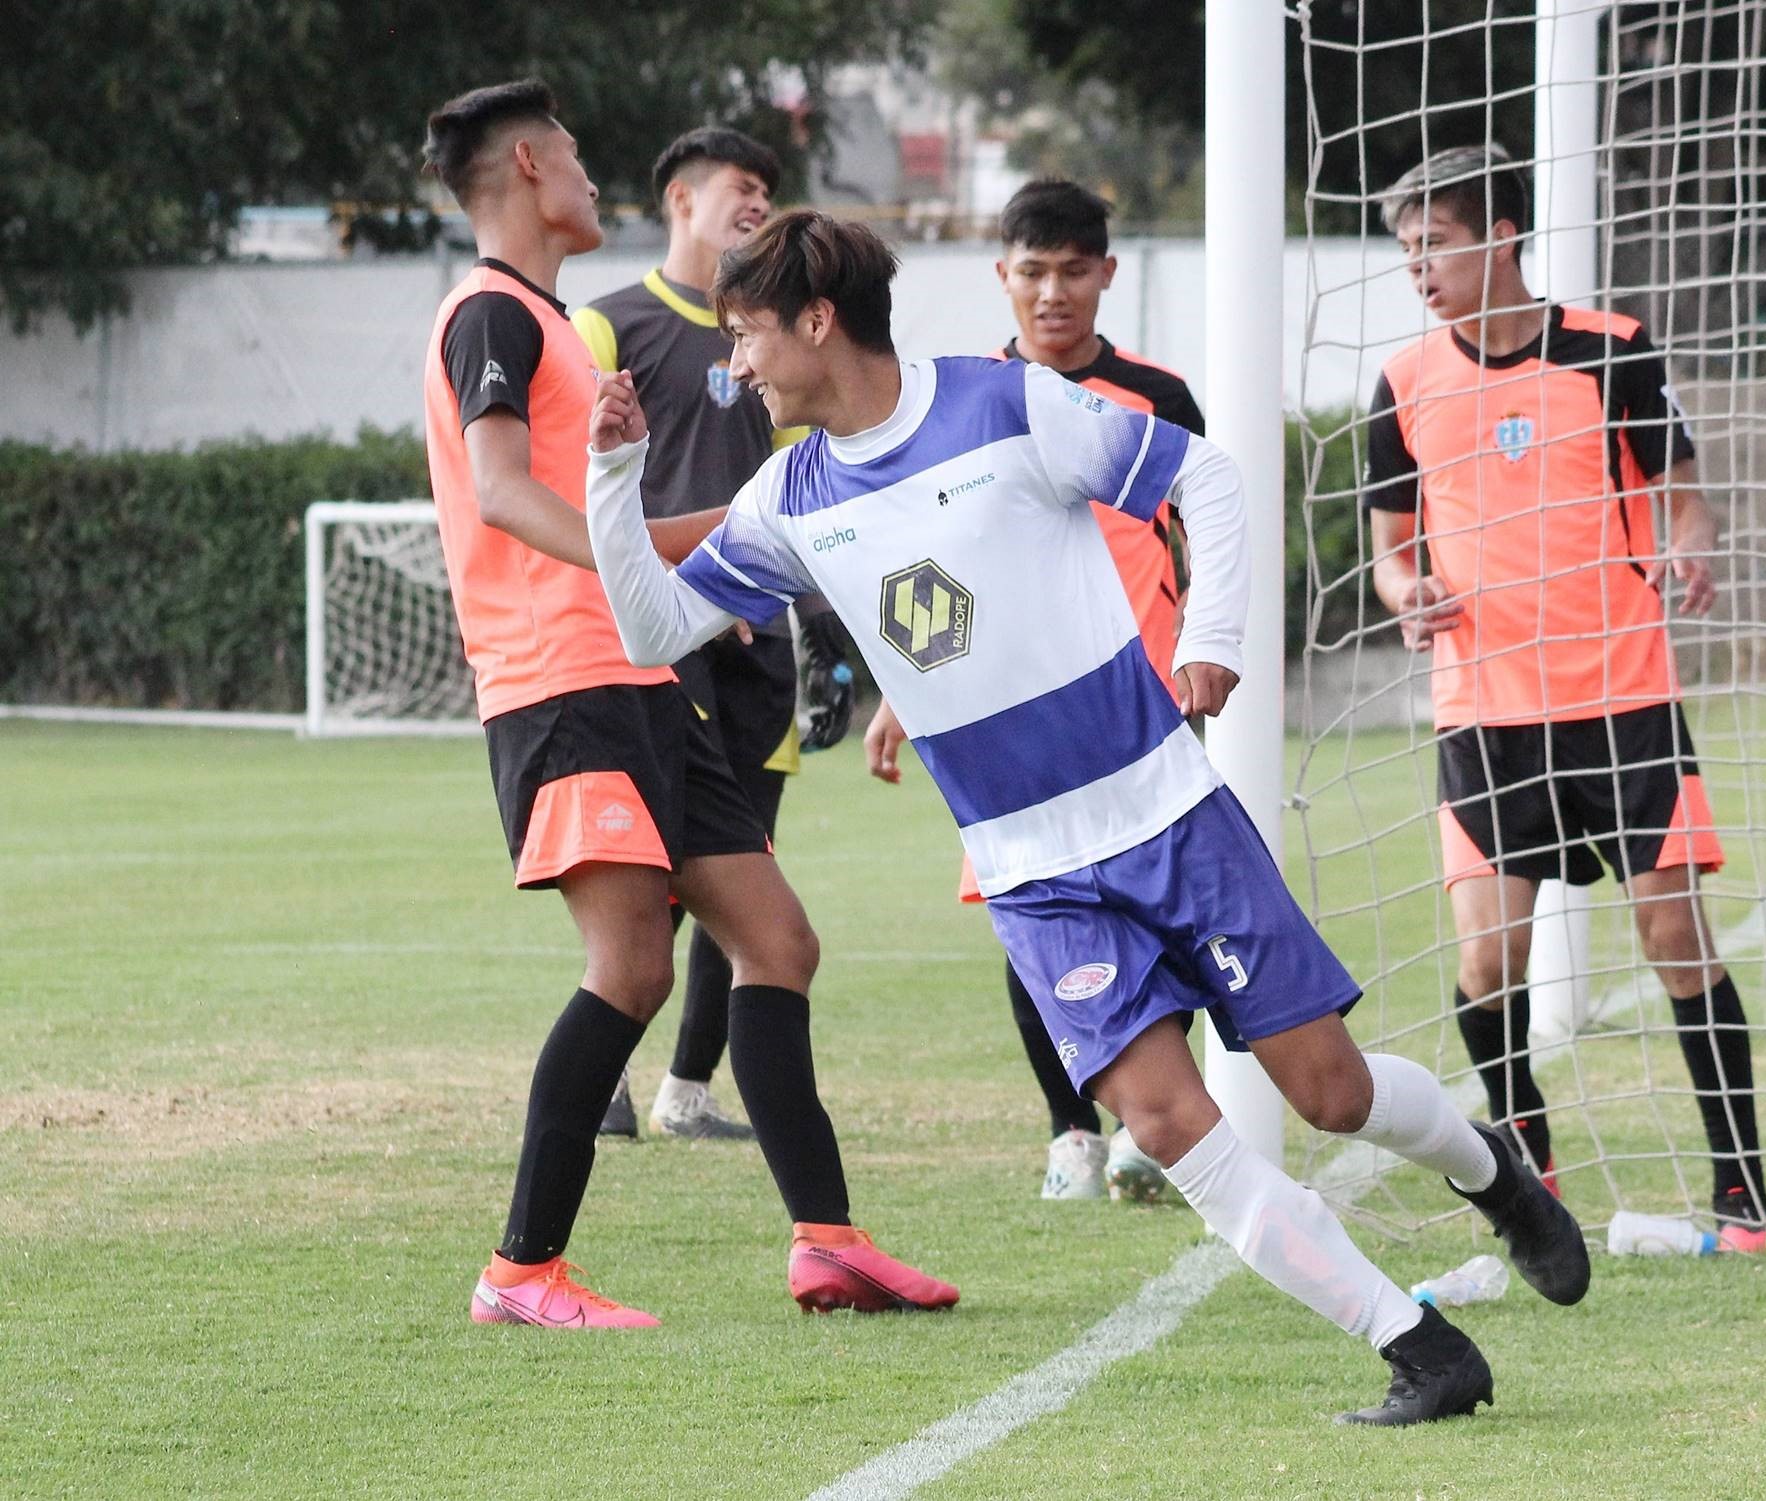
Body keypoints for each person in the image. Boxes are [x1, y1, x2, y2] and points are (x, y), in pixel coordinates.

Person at [581, 208, 1590, 1423]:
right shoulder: (788, 495)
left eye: (746, 336)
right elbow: (649, 629)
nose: (735, 367)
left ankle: (1497, 1176)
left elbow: (1205, 480)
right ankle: (1420, 1348)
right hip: (1032, 876)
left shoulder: (1005, 405)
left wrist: (1211, 646)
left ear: (814, 320)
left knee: (1326, 1091)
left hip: (1167, 816)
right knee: (1169, 1125)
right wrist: (610, 472)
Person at [418, 80, 953, 1327]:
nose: (592, 179)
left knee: (776, 943)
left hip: (644, 679)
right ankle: (520, 1272)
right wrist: (653, 551)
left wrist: (727, 524)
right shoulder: (490, 313)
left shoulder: (551, 324)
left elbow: (620, 527)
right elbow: (498, 492)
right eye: (576, 156)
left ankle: (827, 1241)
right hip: (561, 684)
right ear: (525, 163)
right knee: (633, 967)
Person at [1364, 143, 1766, 1246]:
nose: (1417, 266)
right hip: (1484, 713)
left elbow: (1685, 500)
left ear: (1500, 235)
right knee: (1485, 960)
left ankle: (1740, 1187)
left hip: (1622, 697)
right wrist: (1410, 593)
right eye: (1405, 249)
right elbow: (1390, 552)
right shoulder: (1404, 383)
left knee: (1670, 933)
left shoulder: (1613, 351)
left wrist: (1688, 551)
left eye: (1434, 243)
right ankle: (1526, 1156)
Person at [862, 177, 1202, 1204]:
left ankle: (1151, 1128)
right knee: (1027, 918)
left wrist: (1205, 652)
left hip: (1141, 701)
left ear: (1104, 274)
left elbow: (1204, 534)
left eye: (1071, 270)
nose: (1052, 292)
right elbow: (919, 558)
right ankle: (1071, 1132)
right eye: (1032, 271)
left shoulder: (1158, 397)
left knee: (1166, 913)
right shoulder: (959, 397)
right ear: (1002, 277)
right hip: (1004, 707)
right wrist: (895, 691)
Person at [571, 125, 857, 1142]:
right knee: (651, 871)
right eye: (741, 188)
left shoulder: (779, 342)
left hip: (757, 642)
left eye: (769, 193)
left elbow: (801, 495)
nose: (757, 204)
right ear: (678, 200)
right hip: (660, 636)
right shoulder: (606, 326)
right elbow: (579, 482)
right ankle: (598, 1081)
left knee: (747, 864)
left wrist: (825, 633)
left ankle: (686, 1093)